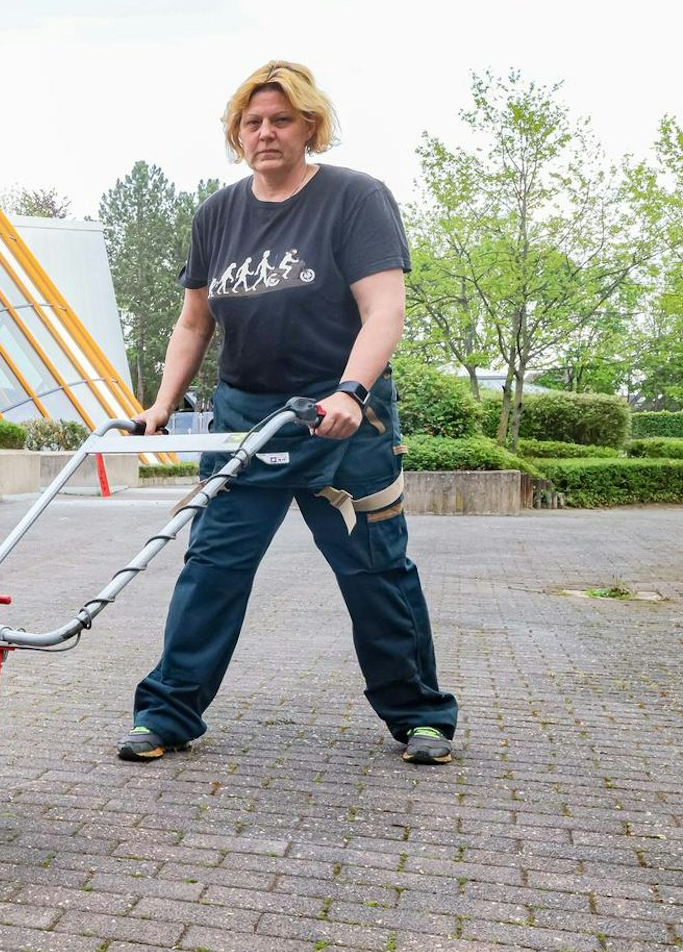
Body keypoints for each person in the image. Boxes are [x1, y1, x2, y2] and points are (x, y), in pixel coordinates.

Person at [119, 60, 458, 766]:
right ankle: (168, 713)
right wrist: (161, 404)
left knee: (374, 571)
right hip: (246, 423)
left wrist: (351, 391)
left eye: (281, 120)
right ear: (236, 133)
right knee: (211, 568)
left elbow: (383, 310)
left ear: (310, 127)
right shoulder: (218, 214)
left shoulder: (355, 199)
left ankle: (420, 716)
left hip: (342, 421)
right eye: (252, 122)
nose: (265, 133)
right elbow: (194, 322)